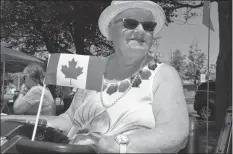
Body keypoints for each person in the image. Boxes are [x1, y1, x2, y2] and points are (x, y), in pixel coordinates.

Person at [10, 1, 189, 153]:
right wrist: (10, 120)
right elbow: (69, 120)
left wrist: (114, 143)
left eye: (149, 26)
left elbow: (174, 133)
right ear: (111, 30)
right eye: (131, 23)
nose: (141, 30)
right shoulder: (93, 69)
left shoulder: (164, 74)